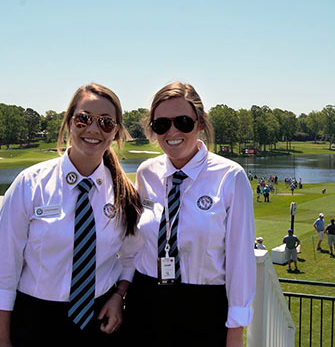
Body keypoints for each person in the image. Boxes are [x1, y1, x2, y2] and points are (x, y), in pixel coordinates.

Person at [0, 83, 142, 346]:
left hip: (100, 322)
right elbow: (4, 269)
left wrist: (119, 295)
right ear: (68, 122)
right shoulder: (30, 185)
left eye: (106, 123)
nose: (93, 129)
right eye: (83, 119)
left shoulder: (125, 194)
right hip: (36, 321)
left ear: (116, 133)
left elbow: (131, 255)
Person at [122, 82, 256, 347]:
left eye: (183, 122)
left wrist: (235, 331)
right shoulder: (146, 173)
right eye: (161, 124)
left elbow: (241, 261)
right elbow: (136, 245)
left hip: (204, 307)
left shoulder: (230, 177)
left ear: (201, 123)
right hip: (145, 300)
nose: (172, 131)